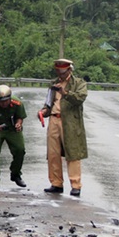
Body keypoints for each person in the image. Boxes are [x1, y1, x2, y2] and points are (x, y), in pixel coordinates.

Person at [37, 58, 88, 197]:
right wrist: (43, 111)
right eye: (58, 71)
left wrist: (65, 92)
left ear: (69, 70)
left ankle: (76, 185)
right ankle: (56, 183)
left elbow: (79, 99)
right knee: (53, 154)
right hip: (54, 119)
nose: (60, 74)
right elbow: (48, 103)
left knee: (73, 153)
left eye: (63, 71)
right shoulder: (53, 84)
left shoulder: (79, 83)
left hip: (70, 122)